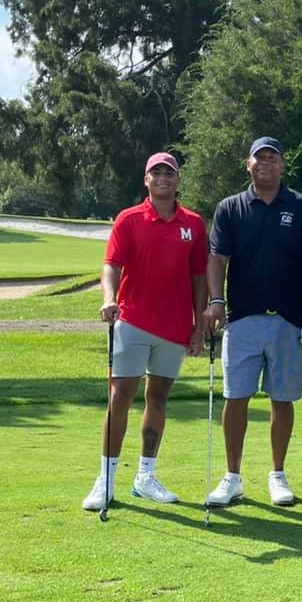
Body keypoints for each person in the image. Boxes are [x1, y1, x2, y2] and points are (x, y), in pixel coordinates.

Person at [82, 152, 208, 511]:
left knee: (158, 400)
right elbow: (111, 265)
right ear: (146, 179)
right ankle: (105, 480)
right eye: (157, 172)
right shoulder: (129, 219)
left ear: (178, 180)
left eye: (169, 172)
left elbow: (199, 278)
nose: (163, 177)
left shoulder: (193, 224)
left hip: (175, 327)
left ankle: (145, 477)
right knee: (120, 397)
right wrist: (109, 298)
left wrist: (198, 327)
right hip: (133, 321)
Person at [204, 136, 302, 507]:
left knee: (282, 399)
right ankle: (232, 477)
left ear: (282, 165)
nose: (266, 163)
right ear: (248, 164)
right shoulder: (230, 207)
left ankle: (277, 475)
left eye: (272, 158)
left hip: (289, 320)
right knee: (235, 397)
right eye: (259, 158)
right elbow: (217, 258)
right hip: (242, 319)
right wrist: (216, 300)